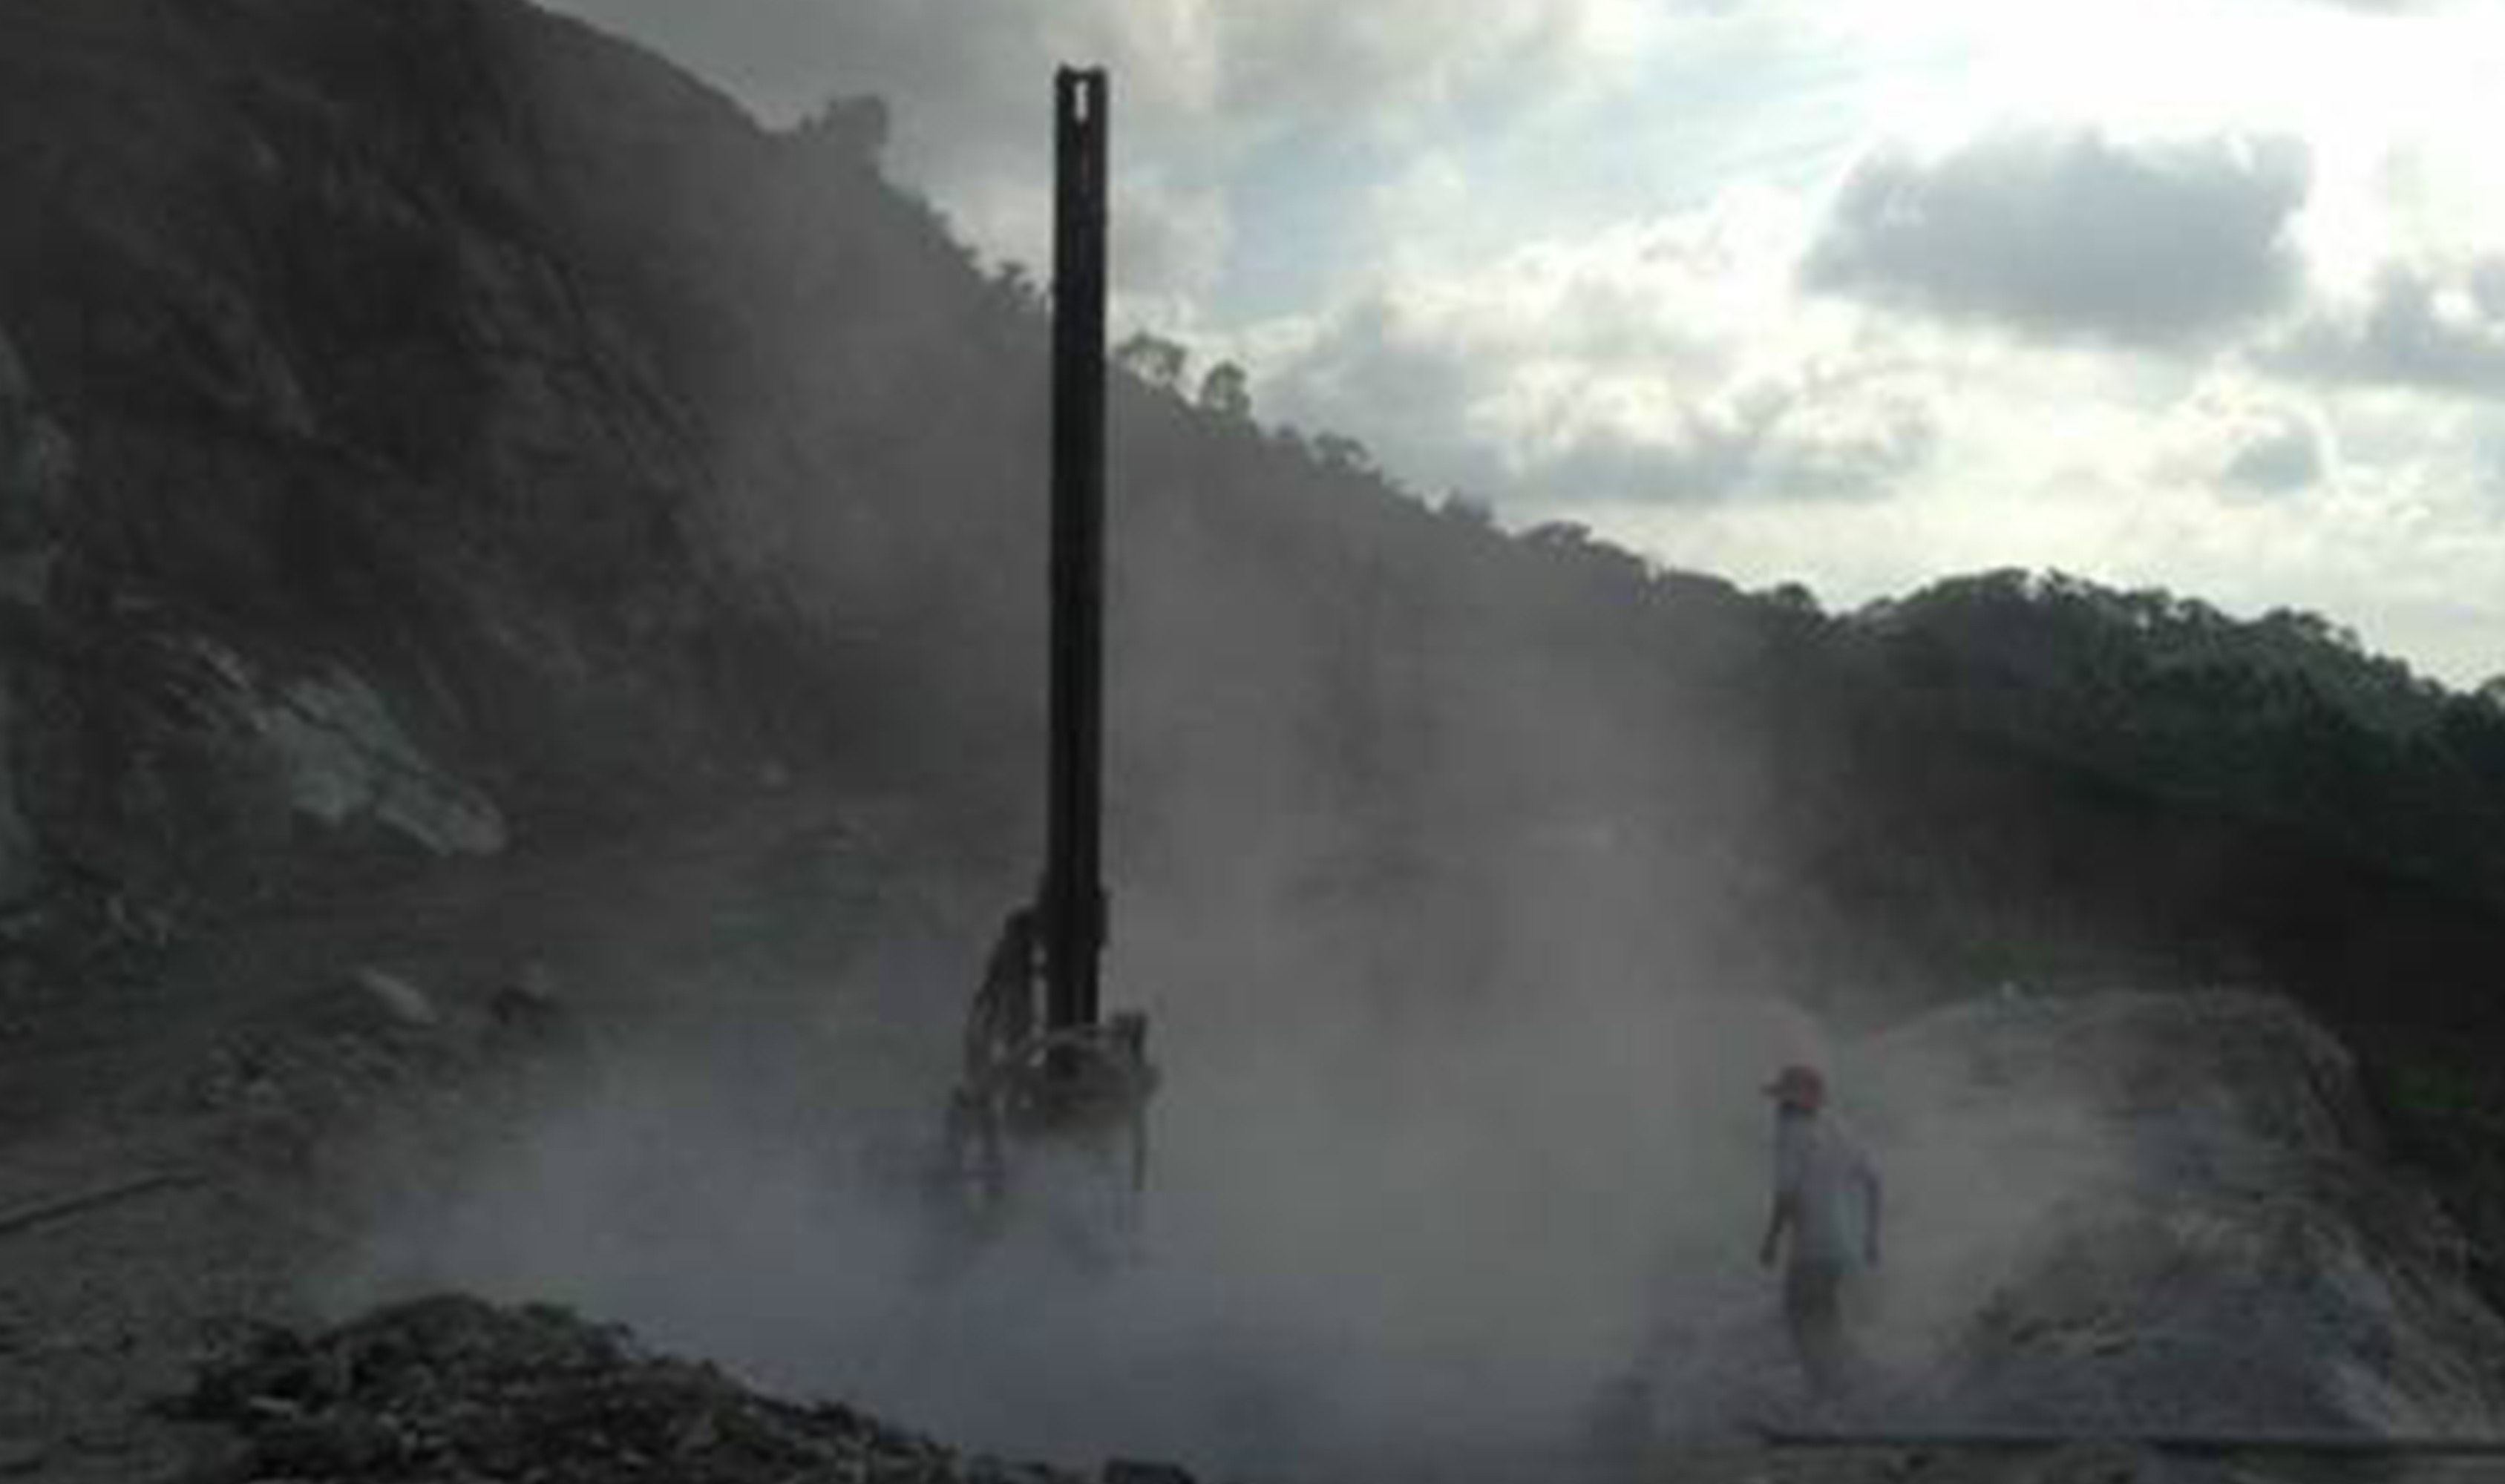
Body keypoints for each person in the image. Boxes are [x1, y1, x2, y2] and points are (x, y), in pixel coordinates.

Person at [1757, 1063, 1882, 1402]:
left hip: (1812, 1247)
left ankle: (1828, 1396)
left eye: (1783, 1100)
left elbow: (1787, 1195)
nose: (1779, 1107)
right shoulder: (1841, 1129)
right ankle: (1849, 1388)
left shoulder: (1791, 1133)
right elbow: (1874, 1182)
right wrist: (1871, 1239)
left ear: (1792, 1104)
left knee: (1801, 1319)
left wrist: (1770, 1241)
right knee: (1826, 1318)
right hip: (1844, 1246)